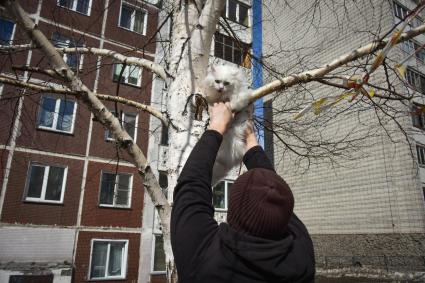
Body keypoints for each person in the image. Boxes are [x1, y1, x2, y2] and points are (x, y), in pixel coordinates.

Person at [171, 102, 315, 283]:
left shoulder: (205, 262)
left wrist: (216, 126)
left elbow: (190, 188)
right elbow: (273, 197)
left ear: (233, 212)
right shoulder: (301, 258)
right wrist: (249, 136)